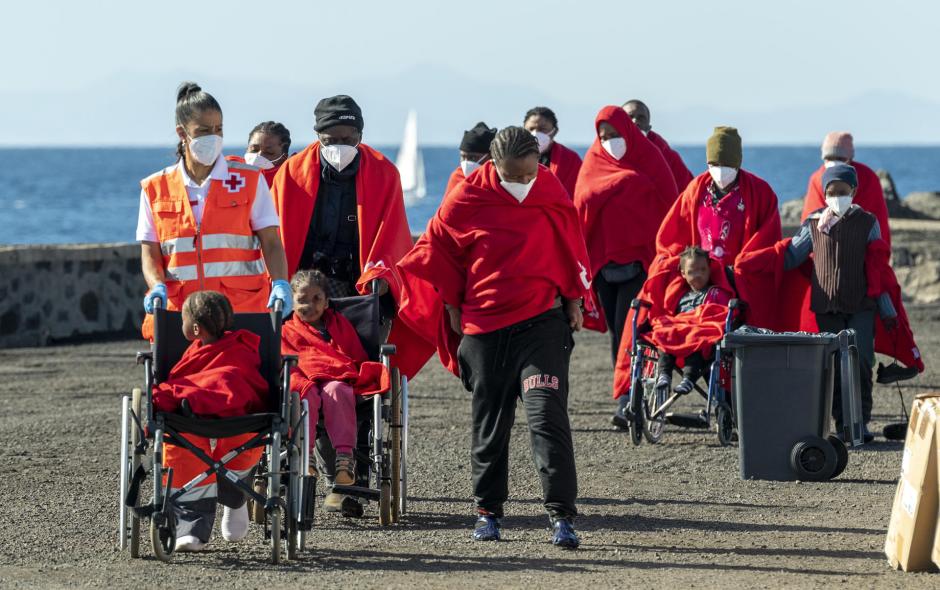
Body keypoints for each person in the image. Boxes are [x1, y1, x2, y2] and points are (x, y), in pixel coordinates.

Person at [397, 127, 593, 549]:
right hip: (485, 330)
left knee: (547, 417)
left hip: (542, 322)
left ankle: (562, 516)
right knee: (491, 422)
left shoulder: (548, 186)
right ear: (494, 165)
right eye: (514, 176)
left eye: (530, 174)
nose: (524, 183)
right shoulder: (467, 196)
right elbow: (436, 248)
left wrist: (575, 298)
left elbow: (569, 238)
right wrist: (451, 304)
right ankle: (488, 511)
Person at [613, 126, 783, 399]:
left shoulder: (759, 192)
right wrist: (679, 263)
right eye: (714, 163)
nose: (720, 169)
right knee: (657, 314)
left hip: (731, 282)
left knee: (718, 325)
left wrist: (738, 268)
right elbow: (672, 235)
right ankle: (643, 387)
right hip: (696, 277)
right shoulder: (696, 189)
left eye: (726, 163)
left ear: (737, 162)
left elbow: (766, 239)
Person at [270, 94, 432, 377]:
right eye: (331, 140)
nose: (340, 146)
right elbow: (275, 236)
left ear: (361, 134)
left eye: (348, 138)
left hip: (359, 287)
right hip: (304, 283)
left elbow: (392, 235)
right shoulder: (291, 174)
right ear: (317, 135)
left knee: (359, 350)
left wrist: (381, 278)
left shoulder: (384, 173)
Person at [137, 82, 292, 339]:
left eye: (219, 129)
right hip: (182, 316)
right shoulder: (155, 188)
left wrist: (280, 282)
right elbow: (150, 253)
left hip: (241, 312)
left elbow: (272, 242)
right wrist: (156, 287)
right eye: (204, 130)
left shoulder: (249, 180)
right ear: (182, 133)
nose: (213, 136)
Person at [572, 105, 677, 428]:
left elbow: (670, 206)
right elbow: (581, 207)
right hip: (603, 265)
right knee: (618, 333)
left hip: (641, 262)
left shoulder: (650, 158)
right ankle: (627, 396)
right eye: (604, 136)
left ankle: (626, 400)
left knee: (631, 330)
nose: (610, 142)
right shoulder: (593, 161)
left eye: (616, 135)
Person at [780, 165, 897, 441]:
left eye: (843, 192)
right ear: (824, 193)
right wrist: (757, 264)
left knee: (861, 362)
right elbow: (790, 258)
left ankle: (861, 423)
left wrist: (888, 310)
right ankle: (842, 423)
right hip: (827, 308)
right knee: (832, 364)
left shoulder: (867, 223)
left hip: (861, 305)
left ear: (853, 192)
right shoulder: (813, 224)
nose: (837, 197)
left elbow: (877, 268)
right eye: (831, 192)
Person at [153, 291, 269, 552]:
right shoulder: (197, 351)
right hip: (198, 421)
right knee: (185, 442)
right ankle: (191, 528)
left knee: (223, 397)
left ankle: (234, 501)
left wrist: (185, 393)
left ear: (194, 328)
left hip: (236, 414)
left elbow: (235, 378)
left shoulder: (239, 349)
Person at [281, 269, 389, 513]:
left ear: (327, 301)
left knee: (338, 391)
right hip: (304, 378)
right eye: (302, 299)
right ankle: (304, 457)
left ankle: (344, 459)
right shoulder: (288, 329)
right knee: (303, 395)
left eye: (317, 298)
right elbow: (285, 361)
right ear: (292, 301)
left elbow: (353, 357)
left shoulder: (338, 324)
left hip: (335, 377)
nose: (310, 304)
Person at [652, 246, 733, 395]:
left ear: (709, 269)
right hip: (681, 329)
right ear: (683, 273)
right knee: (664, 334)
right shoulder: (680, 295)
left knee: (696, 337)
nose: (698, 275)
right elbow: (672, 317)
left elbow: (721, 314)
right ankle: (664, 374)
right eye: (692, 271)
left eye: (702, 270)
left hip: (701, 330)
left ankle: (688, 378)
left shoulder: (716, 292)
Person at [800, 132, 891, 247]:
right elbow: (810, 222)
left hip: (862, 249)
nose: (834, 162)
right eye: (829, 158)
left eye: (840, 158)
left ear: (850, 158)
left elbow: (879, 221)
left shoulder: (868, 178)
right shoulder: (817, 179)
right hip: (825, 250)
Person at [623, 99, 694, 191]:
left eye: (641, 118)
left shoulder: (667, 156)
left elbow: (689, 192)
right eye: (629, 117)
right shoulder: (606, 153)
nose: (635, 121)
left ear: (648, 127)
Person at [523, 106, 582, 199]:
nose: (535, 133)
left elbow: (579, 194)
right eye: (531, 129)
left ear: (554, 131)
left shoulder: (570, 159)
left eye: (542, 129)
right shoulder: (514, 158)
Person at [444, 122, 497, 195]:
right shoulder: (457, 176)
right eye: (463, 157)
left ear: (490, 157)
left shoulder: (498, 182)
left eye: (473, 157)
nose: (466, 162)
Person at [244, 121, 291, 187]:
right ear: (247, 149)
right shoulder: (232, 177)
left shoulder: (287, 186)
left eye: (269, 153)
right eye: (254, 150)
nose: (259, 156)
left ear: (283, 158)